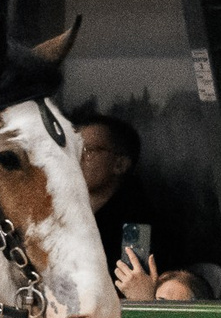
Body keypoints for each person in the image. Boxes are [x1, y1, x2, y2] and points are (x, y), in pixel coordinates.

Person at [75, 112, 182, 279]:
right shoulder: (66, 211)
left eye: (88, 151)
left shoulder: (137, 224)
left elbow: (130, 283)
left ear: (119, 164)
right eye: (73, 149)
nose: (76, 158)